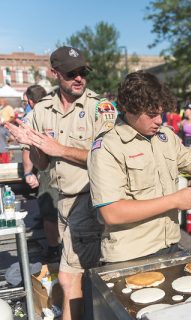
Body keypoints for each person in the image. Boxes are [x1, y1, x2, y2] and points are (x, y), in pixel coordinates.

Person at [6, 46, 117, 320]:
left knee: (71, 278)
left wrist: (60, 149)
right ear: (54, 74)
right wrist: (33, 145)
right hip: (63, 204)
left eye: (82, 73)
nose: (78, 78)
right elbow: (43, 164)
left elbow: (110, 160)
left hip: (90, 200)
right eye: (71, 73)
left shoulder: (99, 108)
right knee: (81, 278)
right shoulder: (43, 110)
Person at [87, 71, 191, 263]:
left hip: (170, 245)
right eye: (151, 115)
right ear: (130, 108)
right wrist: (174, 201)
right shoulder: (108, 146)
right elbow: (112, 212)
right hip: (132, 255)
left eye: (161, 113)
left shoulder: (164, 136)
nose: (159, 120)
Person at [21, 85, 61, 261]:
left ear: (30, 101)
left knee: (49, 213)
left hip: (47, 170)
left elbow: (27, 150)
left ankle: (54, 249)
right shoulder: (57, 111)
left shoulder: (32, 116)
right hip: (67, 167)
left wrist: (28, 173)